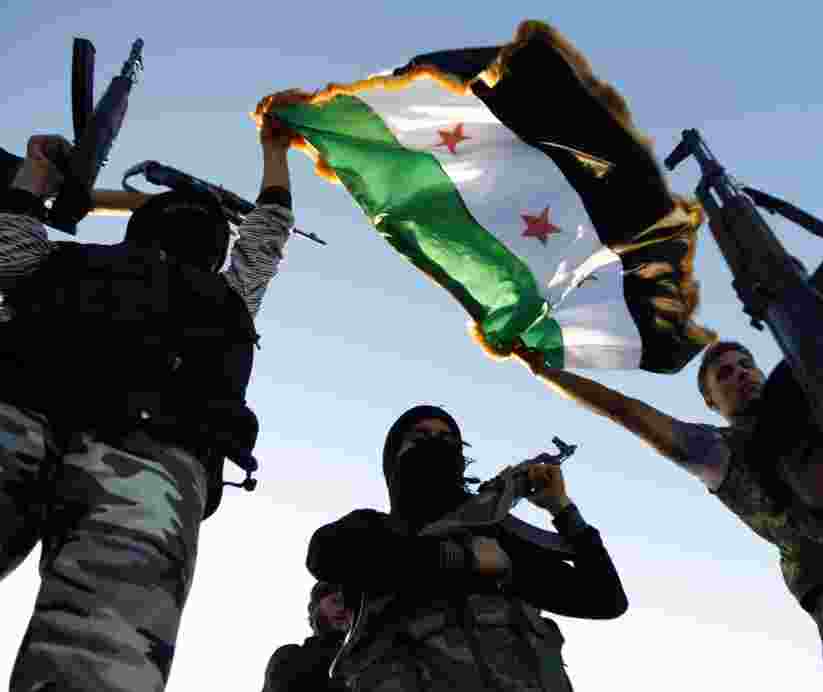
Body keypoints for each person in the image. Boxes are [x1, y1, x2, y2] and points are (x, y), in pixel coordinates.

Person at [514, 341, 823, 688]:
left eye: (746, 364)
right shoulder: (721, 451)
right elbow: (629, 412)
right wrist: (545, 369)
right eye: (724, 374)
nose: (740, 374)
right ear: (712, 402)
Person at [0, 117, 297, 692]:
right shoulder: (73, 261)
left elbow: (268, 231)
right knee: (100, 658)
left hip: (148, 456)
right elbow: (9, 251)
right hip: (35, 417)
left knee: (98, 662)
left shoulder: (226, 294)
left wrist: (275, 153)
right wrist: (33, 174)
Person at [307, 405, 627, 691]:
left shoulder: (500, 542)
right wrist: (464, 560)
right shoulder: (372, 531)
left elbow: (606, 599)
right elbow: (323, 555)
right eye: (420, 436)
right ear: (394, 459)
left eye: (448, 439)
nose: (435, 442)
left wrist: (562, 509)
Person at [262, 582, 354, 692]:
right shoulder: (290, 658)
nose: (342, 609)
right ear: (314, 608)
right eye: (335, 601)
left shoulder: (362, 659)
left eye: (348, 605)